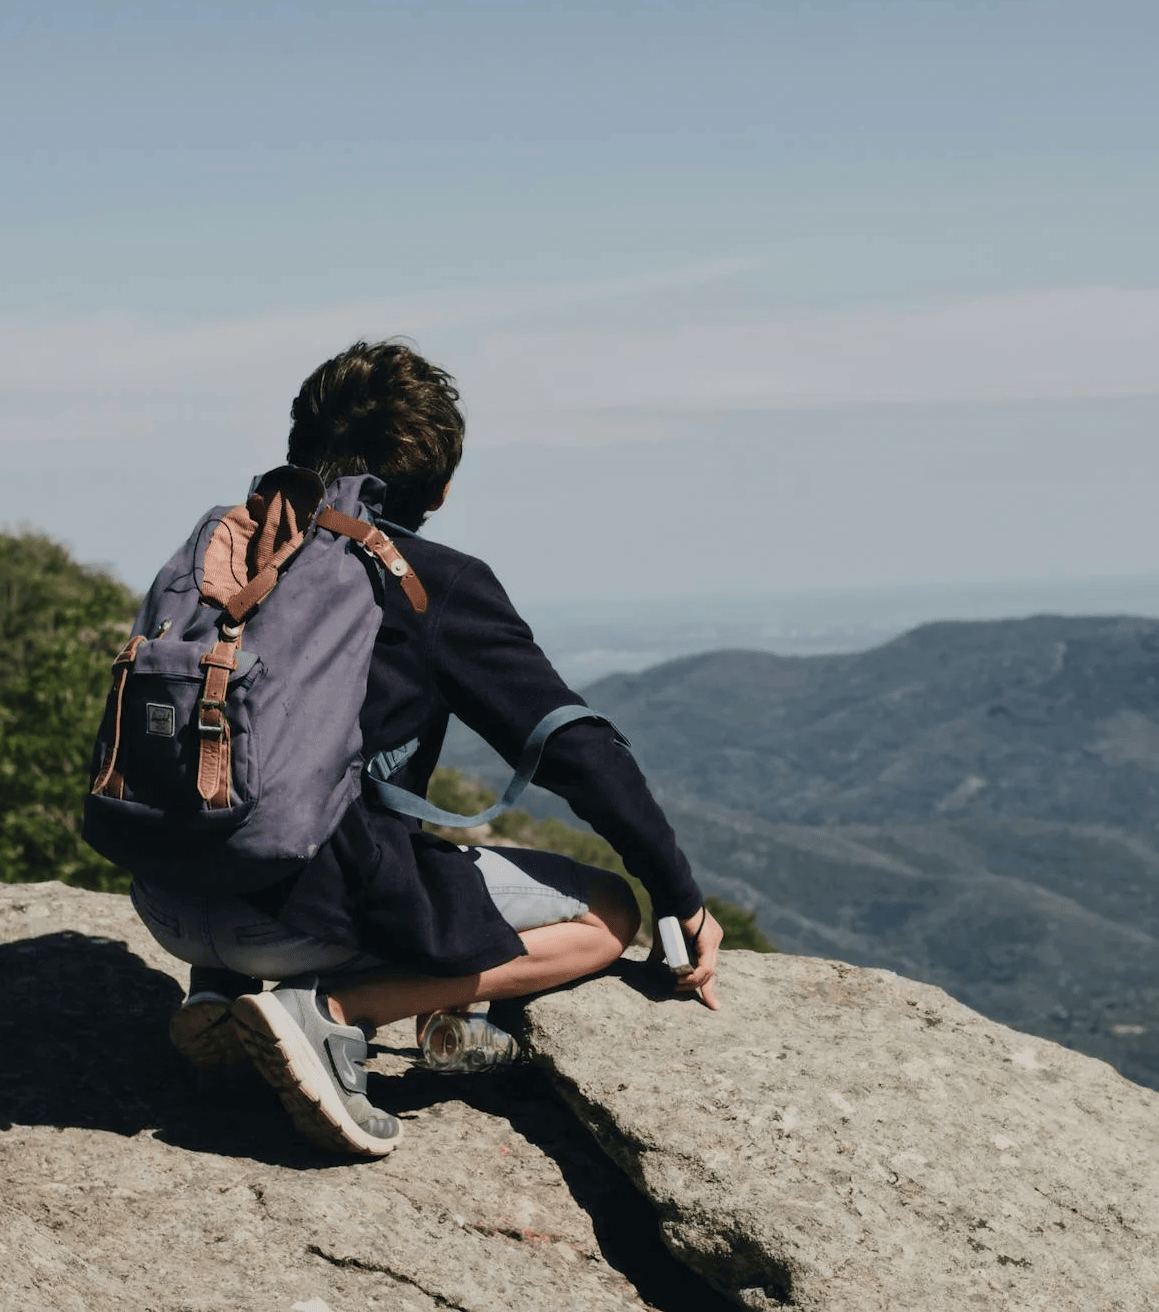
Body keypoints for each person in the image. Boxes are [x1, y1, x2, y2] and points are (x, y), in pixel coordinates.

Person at [128, 339, 722, 1157]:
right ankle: (331, 1014)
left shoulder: (224, 552)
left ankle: (224, 999)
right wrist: (680, 897)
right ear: (439, 487)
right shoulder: (430, 578)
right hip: (300, 924)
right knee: (608, 913)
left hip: (166, 902)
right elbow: (577, 750)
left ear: (300, 448)